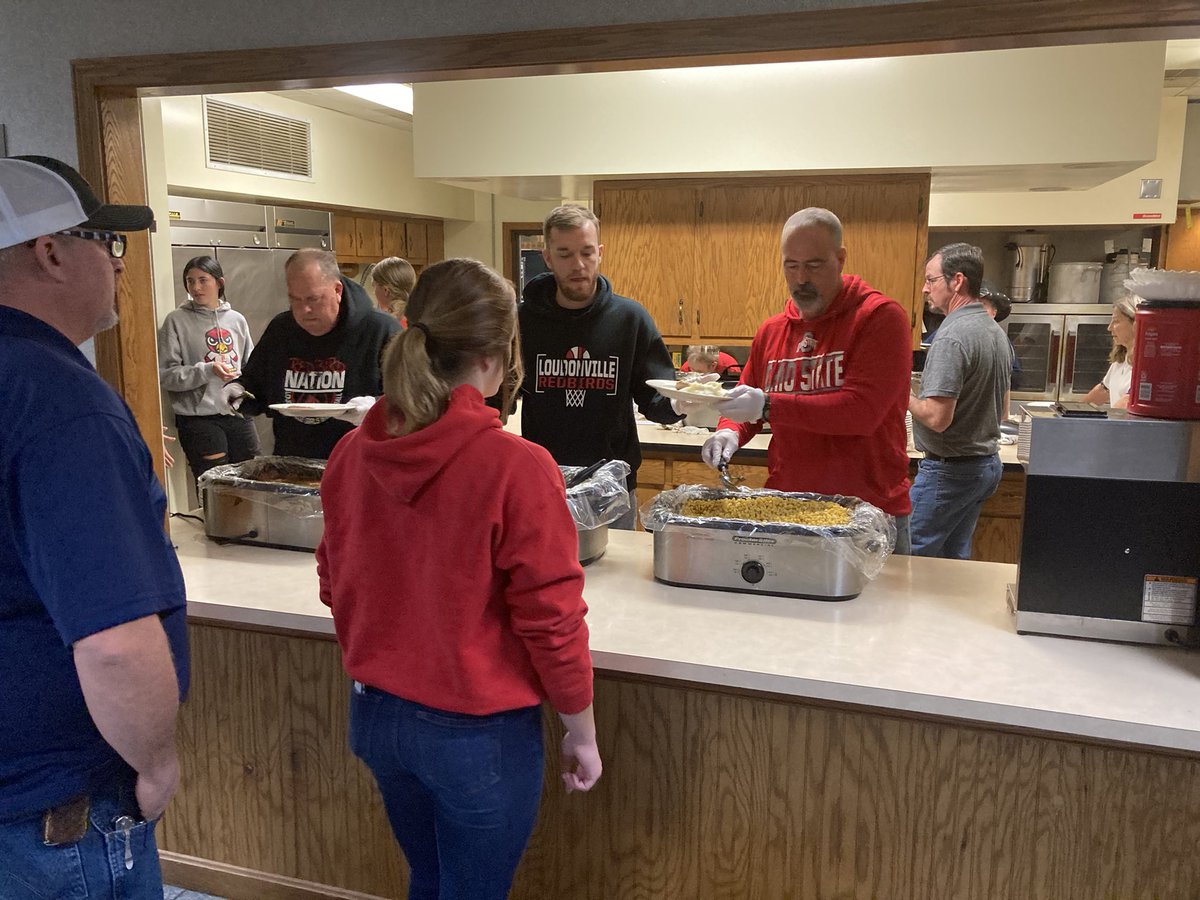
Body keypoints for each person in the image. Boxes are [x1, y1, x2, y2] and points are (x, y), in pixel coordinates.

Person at [317, 258, 601, 900]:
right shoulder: (516, 466)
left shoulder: (352, 451)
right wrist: (580, 731)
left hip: (377, 717)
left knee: (432, 879)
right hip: (477, 733)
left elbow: (334, 581)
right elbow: (551, 619)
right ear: (500, 354)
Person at [0, 155, 188, 897]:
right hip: (47, 820)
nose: (117, 265)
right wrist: (157, 760)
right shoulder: (59, 401)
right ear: (50, 252)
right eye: (105, 245)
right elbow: (113, 643)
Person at [694, 208, 914, 552]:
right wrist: (729, 431)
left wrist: (768, 405)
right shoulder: (772, 331)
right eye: (790, 265)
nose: (800, 279)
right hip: (789, 509)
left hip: (867, 515)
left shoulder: (880, 319)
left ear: (840, 259)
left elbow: (860, 412)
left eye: (813, 265)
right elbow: (743, 401)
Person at [517, 204, 681, 526]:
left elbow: (657, 400)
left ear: (600, 252)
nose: (578, 265)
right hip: (543, 486)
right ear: (547, 257)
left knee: (615, 576)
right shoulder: (522, 323)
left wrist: (683, 402)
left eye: (587, 252)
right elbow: (498, 397)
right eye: (564, 254)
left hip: (613, 490)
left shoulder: (630, 319)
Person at [225, 248, 402, 459]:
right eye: (295, 300)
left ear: (337, 290)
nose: (304, 310)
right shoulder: (281, 329)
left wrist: (375, 407)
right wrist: (236, 390)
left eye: (313, 299)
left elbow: (412, 402)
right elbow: (256, 386)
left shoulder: (381, 330)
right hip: (291, 465)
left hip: (359, 467)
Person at [908, 243, 1013, 560]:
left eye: (931, 280)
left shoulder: (953, 335)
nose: (925, 289)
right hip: (983, 466)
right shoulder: (993, 331)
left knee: (906, 556)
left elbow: (938, 418)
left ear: (957, 281)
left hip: (949, 472)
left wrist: (900, 392)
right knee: (954, 560)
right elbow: (1003, 410)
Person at [157, 255, 261, 478]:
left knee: (252, 480)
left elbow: (251, 367)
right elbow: (165, 375)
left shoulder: (237, 320)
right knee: (215, 486)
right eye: (190, 281)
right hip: (199, 419)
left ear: (219, 282)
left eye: (203, 280)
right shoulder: (176, 320)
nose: (196, 287)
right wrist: (206, 370)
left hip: (237, 414)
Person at [1080, 295, 1137, 409]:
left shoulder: (1146, 365)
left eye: (1116, 321)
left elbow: (1126, 402)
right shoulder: (1120, 361)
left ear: (1135, 324)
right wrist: (1071, 413)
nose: (1109, 328)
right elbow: (1102, 391)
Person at [370, 255, 416, 320]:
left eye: (374, 286)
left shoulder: (383, 323)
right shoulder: (420, 316)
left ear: (386, 290)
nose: (374, 292)